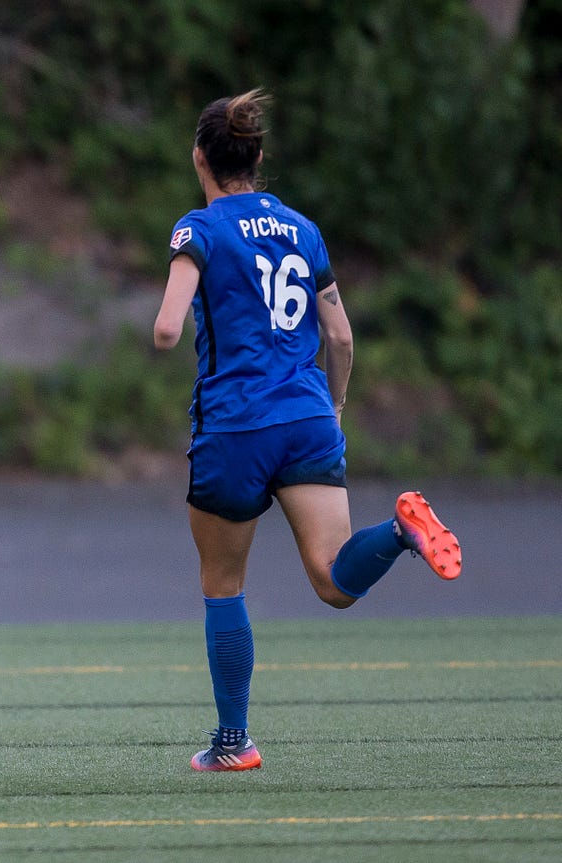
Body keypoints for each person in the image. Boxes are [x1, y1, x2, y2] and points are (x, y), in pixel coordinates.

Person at [152, 88, 463, 771]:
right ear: (258, 158)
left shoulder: (198, 229)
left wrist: (170, 321)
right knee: (332, 580)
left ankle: (233, 742)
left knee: (223, 583)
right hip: (307, 417)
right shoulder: (302, 228)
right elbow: (341, 336)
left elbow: (168, 326)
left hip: (234, 425)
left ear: (200, 159)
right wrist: (337, 405)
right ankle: (401, 531)